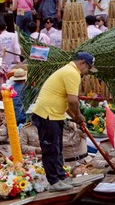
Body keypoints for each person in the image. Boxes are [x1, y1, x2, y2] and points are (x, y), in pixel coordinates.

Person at [31, 52, 96, 191]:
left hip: (54, 115)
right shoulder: (72, 73)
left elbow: (67, 104)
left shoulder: (69, 71)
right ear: (82, 63)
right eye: (88, 68)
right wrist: (78, 116)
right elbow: (73, 101)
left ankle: (61, 177)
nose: (87, 73)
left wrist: (76, 118)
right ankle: (54, 181)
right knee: (51, 150)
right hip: (47, 115)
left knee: (57, 149)